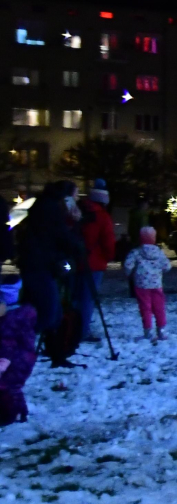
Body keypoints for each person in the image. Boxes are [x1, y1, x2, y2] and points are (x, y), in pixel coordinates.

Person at [16, 181, 85, 354]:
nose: (76, 199)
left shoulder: (45, 206)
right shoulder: (50, 209)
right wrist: (76, 242)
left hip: (39, 263)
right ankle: (17, 343)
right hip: (40, 265)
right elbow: (59, 234)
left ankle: (49, 347)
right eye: (75, 195)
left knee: (47, 311)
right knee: (48, 313)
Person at [76, 181, 115, 340]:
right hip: (94, 263)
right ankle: (82, 331)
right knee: (88, 298)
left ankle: (70, 328)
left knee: (76, 297)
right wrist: (109, 256)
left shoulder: (78, 212)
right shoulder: (102, 217)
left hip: (76, 261)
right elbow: (108, 242)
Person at [124, 226, 172, 341]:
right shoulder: (159, 252)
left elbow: (128, 265)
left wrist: (129, 273)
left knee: (145, 308)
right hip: (156, 284)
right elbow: (167, 266)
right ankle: (162, 330)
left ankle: (148, 331)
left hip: (141, 285)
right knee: (159, 307)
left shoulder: (136, 252)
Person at [0, 292, 39, 424]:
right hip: (25, 359)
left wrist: (2, 366)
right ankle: (21, 412)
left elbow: (7, 346)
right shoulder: (22, 316)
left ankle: (8, 416)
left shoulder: (8, 322)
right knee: (14, 387)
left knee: (6, 386)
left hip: (15, 361)